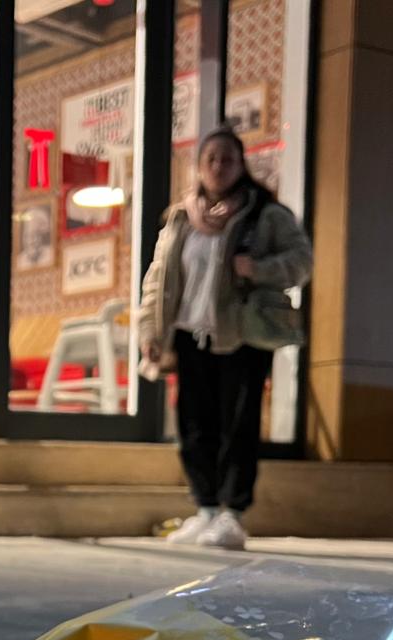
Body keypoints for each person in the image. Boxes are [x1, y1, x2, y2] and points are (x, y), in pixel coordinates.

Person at [138, 126, 312, 549]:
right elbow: (158, 278)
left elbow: (301, 260)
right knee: (194, 426)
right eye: (211, 158)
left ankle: (232, 514)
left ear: (241, 165)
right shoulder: (181, 218)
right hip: (190, 334)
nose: (218, 166)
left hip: (242, 334)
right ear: (199, 166)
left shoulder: (265, 214)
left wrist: (259, 269)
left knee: (238, 425)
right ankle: (205, 509)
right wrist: (150, 330)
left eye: (227, 159)